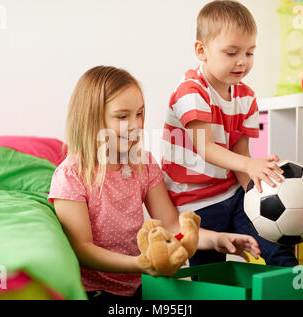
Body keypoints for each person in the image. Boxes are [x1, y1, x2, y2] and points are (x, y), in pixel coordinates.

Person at [48, 65, 261, 300]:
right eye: (122, 116)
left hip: (141, 283)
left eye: (139, 114)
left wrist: (217, 239)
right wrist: (139, 263)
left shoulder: (143, 164)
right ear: (91, 118)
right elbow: (83, 249)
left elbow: (172, 224)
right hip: (94, 291)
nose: (135, 125)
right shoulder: (71, 176)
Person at [161, 0, 298, 267]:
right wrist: (250, 164)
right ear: (202, 50)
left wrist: (257, 191)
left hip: (231, 194)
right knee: (212, 271)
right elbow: (206, 148)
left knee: (276, 248)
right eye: (231, 53)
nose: (242, 62)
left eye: (249, 53)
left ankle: (296, 288)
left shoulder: (246, 97)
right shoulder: (190, 91)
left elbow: (240, 153)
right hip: (193, 203)